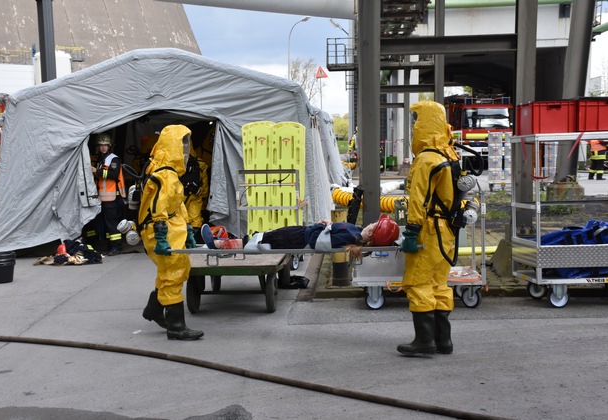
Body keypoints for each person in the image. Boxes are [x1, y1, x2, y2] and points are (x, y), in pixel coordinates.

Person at [397, 100, 459, 356]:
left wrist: (411, 231)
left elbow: (418, 199)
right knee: (439, 285)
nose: (414, 126)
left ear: (424, 125)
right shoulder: (449, 154)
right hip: (447, 232)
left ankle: (424, 341)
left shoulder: (426, 159)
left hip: (428, 231)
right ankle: (443, 341)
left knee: (418, 284)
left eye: (416, 121)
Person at [138, 124, 204, 341]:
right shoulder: (165, 175)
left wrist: (188, 229)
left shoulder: (171, 174)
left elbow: (179, 205)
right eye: (182, 144)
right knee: (172, 274)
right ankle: (176, 327)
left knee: (178, 270)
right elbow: (159, 207)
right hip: (162, 231)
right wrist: (160, 237)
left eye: (187, 144)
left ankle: (154, 309)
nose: (186, 149)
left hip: (171, 230)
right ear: (172, 146)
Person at [201, 214, 399, 260]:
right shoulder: (355, 233)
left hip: (300, 238)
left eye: (374, 224)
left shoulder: (352, 235)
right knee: (265, 237)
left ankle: (219, 245)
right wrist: (327, 226)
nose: (371, 223)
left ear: (372, 232)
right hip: (301, 234)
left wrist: (324, 228)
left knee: (263, 240)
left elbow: (318, 242)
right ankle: (227, 242)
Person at [90, 133, 126, 256]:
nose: (103, 147)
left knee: (112, 223)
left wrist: (97, 171)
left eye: (105, 145)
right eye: (101, 145)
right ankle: (111, 245)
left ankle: (117, 247)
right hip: (104, 197)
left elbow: (113, 174)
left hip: (111, 197)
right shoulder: (102, 159)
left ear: (109, 146)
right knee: (107, 224)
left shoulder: (113, 159)